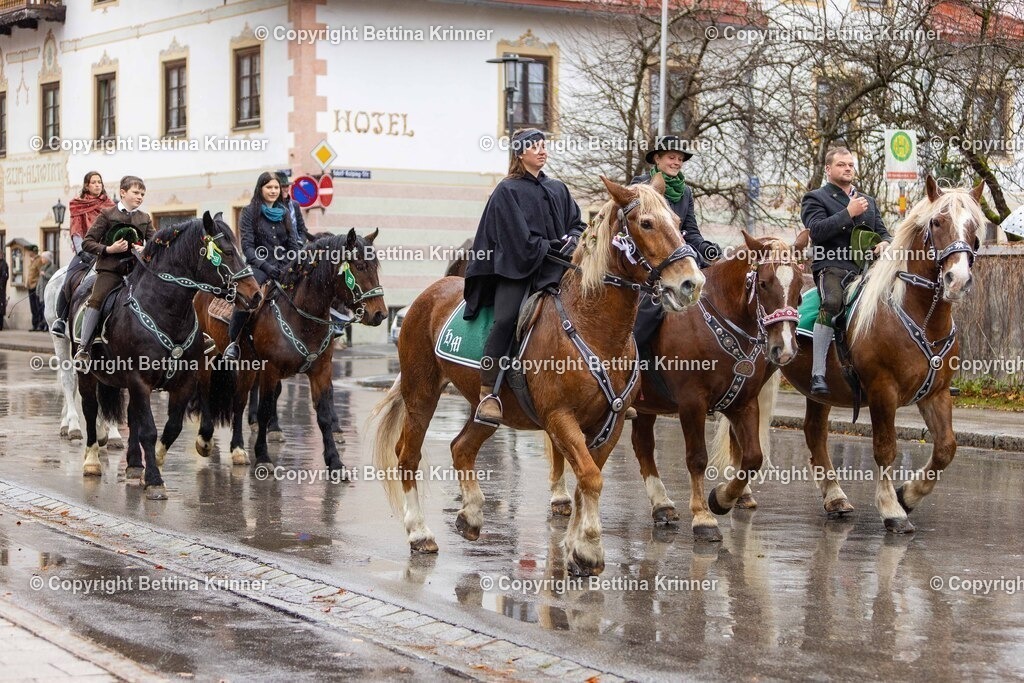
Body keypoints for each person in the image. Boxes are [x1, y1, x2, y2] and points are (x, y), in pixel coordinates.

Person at [463, 128, 585, 425]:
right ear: (520, 154)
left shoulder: (557, 188)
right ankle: (488, 392)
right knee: (506, 320)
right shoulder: (507, 191)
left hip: (558, 267)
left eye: (543, 145)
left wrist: (573, 239)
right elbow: (514, 239)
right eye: (535, 147)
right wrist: (548, 246)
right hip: (517, 269)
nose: (542, 150)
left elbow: (577, 223)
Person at [801, 146, 891, 395]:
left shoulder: (868, 201)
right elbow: (816, 231)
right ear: (828, 169)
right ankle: (818, 373)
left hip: (866, 270)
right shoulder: (815, 198)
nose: (848, 168)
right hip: (832, 266)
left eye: (851, 164)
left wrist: (885, 243)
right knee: (832, 302)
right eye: (841, 164)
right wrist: (848, 213)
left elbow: (884, 233)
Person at [631, 135, 722, 352]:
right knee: (651, 306)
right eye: (672, 157)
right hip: (648, 262)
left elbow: (691, 232)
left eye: (680, 159)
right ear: (657, 159)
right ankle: (632, 352)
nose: (677, 163)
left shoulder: (685, 192)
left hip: (676, 257)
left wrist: (705, 248)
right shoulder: (640, 186)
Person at [74, 176, 154, 364]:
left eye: (142, 194)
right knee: (97, 298)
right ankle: (84, 348)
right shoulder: (107, 214)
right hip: (111, 271)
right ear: (123, 193)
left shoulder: (145, 218)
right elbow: (87, 242)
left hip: (136, 272)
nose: (140, 197)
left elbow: (155, 242)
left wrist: (146, 249)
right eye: (136, 192)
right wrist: (109, 249)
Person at [223, 171, 302, 360]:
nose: (273, 191)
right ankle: (234, 343)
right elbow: (247, 247)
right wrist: (267, 267)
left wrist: (287, 265)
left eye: (276, 187)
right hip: (258, 267)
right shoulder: (249, 212)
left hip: (284, 266)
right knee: (247, 298)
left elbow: (293, 245)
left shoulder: (285, 212)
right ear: (260, 189)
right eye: (269, 187)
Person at [50, 171, 114, 339]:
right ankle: (61, 319)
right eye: (94, 182)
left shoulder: (110, 205)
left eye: (99, 182)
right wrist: (81, 251)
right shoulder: (78, 205)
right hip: (86, 251)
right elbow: (76, 230)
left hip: (108, 251)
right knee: (69, 279)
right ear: (87, 185)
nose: (97, 185)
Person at [277, 172, 310, 244]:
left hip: (297, 245)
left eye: (287, 186)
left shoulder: (295, 205)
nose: (285, 189)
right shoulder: (272, 206)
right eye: (282, 187)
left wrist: (300, 242)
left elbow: (302, 229)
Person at [35, 251, 57, 332]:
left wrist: (45, 275)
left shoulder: (52, 267)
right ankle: (42, 324)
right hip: (41, 292)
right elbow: (40, 281)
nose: (42, 259)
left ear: (47, 259)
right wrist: (37, 289)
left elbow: (55, 278)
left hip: (48, 291)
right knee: (41, 309)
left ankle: (47, 325)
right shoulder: (42, 267)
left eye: (43, 258)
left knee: (47, 309)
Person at [26, 246, 44, 331]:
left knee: (37, 306)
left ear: (33, 252)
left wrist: (38, 284)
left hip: (35, 286)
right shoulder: (32, 260)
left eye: (30, 251)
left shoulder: (38, 260)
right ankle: (34, 324)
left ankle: (39, 324)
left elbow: (40, 273)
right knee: (33, 307)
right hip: (30, 286)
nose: (29, 253)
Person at [0, 256, 9, 331]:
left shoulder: (3, 264)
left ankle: (0, 325)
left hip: (1, 289)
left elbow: (4, 276)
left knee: (1, 306)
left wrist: (1, 284)